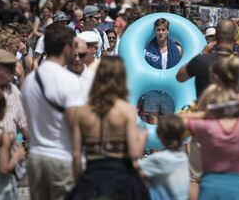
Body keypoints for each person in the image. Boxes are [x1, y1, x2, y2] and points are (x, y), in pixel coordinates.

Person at [176, 19, 239, 200]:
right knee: (230, 180)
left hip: (204, 130)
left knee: (196, 180)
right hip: (232, 131)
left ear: (215, 38)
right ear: (236, 38)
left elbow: (180, 77)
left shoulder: (202, 61)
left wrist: (202, 54)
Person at [67, 56, 149, 200]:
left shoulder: (81, 112)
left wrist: (79, 182)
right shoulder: (126, 110)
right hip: (121, 181)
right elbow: (134, 153)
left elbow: (76, 155)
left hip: (91, 179)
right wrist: (143, 138)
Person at [21, 24, 84, 200]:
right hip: (61, 159)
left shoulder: (30, 81)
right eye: (73, 46)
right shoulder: (69, 80)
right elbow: (75, 126)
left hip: (35, 159)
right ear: (66, 48)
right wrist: (79, 162)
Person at [138, 114, 189, 200]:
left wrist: (142, 141)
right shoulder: (183, 158)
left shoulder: (159, 159)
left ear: (159, 135)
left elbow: (135, 168)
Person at [143, 18, 182, 124]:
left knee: (167, 121)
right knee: (152, 120)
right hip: (152, 88)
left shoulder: (177, 49)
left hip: (169, 89)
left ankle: (165, 140)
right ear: (155, 31)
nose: (160, 33)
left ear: (168, 31)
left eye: (163, 30)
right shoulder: (147, 48)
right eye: (158, 30)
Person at [67, 37, 95, 103]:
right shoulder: (59, 76)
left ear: (86, 55)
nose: (77, 59)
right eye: (74, 55)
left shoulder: (94, 78)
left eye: (81, 55)